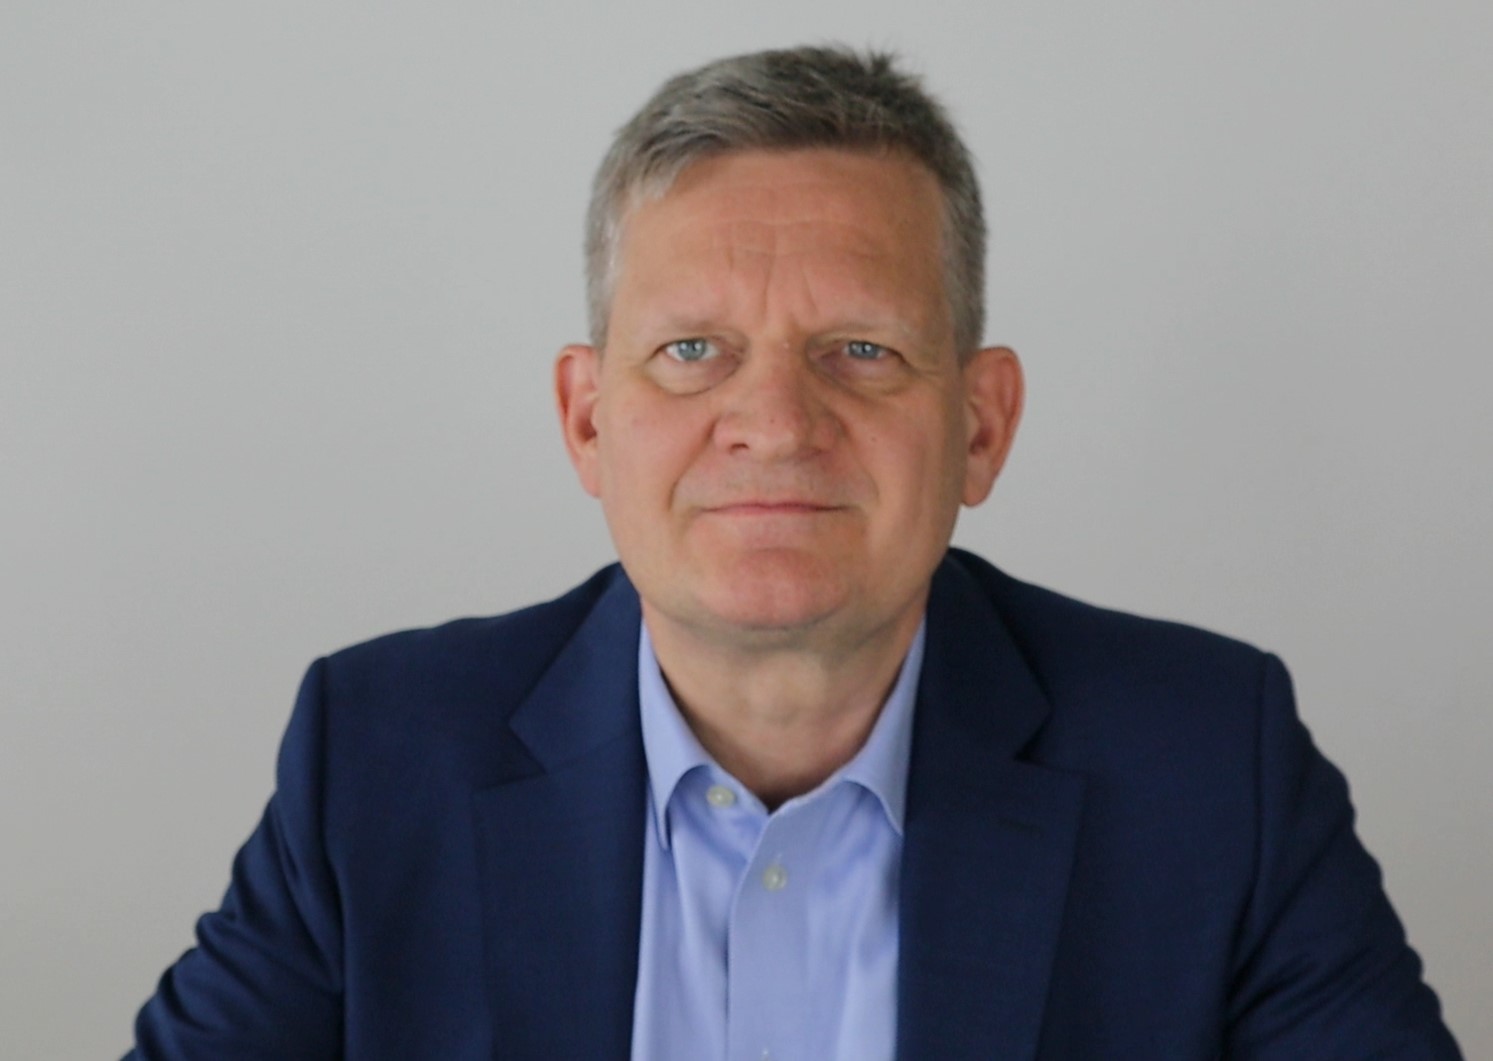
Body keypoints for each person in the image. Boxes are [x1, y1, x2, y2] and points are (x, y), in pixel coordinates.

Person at [126, 45, 1461, 1060]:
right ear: (587, 421)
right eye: (691, 350)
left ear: (979, 424)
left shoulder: (1210, 766)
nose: (772, 422)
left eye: (860, 350)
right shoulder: (376, 760)